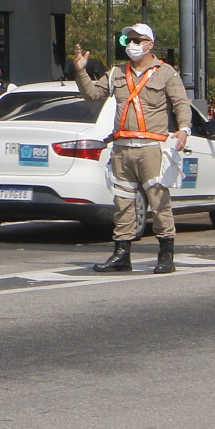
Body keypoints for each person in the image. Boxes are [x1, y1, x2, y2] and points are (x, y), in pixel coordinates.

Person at [73, 23, 191, 275]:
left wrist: (184, 129)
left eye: (138, 40)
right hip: (122, 147)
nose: (132, 45)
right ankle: (121, 254)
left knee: (159, 202)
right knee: (123, 202)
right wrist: (81, 71)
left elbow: (181, 103)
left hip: (151, 147)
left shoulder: (166, 73)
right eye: (129, 40)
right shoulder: (116, 72)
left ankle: (166, 254)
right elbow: (92, 95)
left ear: (150, 44)